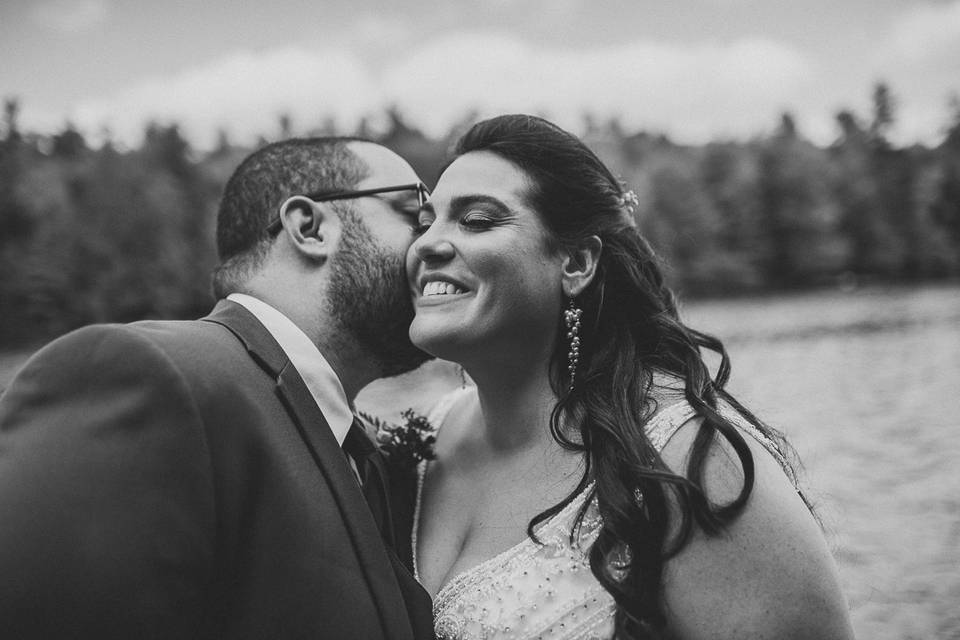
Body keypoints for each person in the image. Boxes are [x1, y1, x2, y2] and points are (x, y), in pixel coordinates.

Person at [405, 115, 855, 639]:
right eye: (424, 221)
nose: (426, 245)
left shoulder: (692, 461)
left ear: (576, 262)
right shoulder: (424, 439)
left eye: (477, 220)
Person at [0, 137, 435, 639]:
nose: (433, 244)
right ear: (310, 227)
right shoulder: (147, 376)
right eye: (416, 213)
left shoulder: (360, 453)